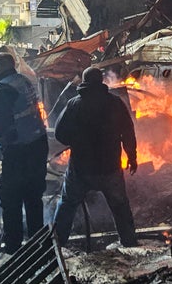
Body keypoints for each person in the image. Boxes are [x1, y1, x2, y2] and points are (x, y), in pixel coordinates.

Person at [53, 67, 139, 247]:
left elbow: (59, 133)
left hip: (81, 169)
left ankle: (57, 245)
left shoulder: (74, 104)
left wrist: (75, 141)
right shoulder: (115, 103)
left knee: (67, 204)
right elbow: (128, 132)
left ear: (84, 82)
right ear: (101, 81)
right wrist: (132, 157)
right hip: (110, 167)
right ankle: (129, 242)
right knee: (120, 206)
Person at [0, 53, 48, 253]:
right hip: (38, 143)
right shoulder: (23, 80)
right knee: (33, 197)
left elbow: (2, 121)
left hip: (19, 150)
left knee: (10, 198)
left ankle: (13, 247)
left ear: (1, 66)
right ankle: (38, 243)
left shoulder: (2, 89)